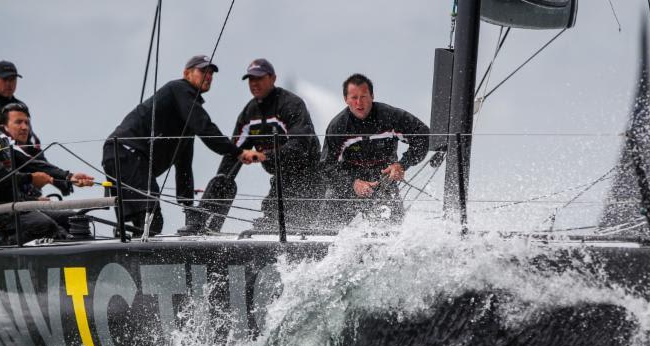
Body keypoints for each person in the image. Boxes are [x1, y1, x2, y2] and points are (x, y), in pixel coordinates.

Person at [102, 54, 262, 237]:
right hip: (126, 152)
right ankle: (131, 249)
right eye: (203, 71)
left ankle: (130, 247)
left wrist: (189, 207)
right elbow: (204, 127)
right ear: (187, 73)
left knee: (145, 222)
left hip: (124, 155)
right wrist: (238, 152)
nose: (208, 76)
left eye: (211, 73)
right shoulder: (179, 89)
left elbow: (184, 162)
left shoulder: (184, 111)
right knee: (149, 220)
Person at [184, 58, 321, 234]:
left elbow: (300, 145)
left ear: (272, 78)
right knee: (269, 219)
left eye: (259, 78)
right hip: (280, 180)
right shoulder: (249, 113)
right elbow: (234, 153)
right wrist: (221, 184)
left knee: (293, 222)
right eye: (251, 80)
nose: (254, 84)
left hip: (310, 176)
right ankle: (203, 223)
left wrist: (265, 156)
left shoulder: (291, 104)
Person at [0, 78, 91, 244]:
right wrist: (31, 179)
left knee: (74, 219)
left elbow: (28, 162)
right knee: (46, 226)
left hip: (14, 205)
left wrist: (68, 176)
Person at [320, 73, 430, 224]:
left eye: (364, 96)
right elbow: (327, 166)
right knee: (325, 229)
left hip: (383, 181)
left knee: (394, 233)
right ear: (346, 99)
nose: (359, 103)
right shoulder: (338, 126)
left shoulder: (390, 117)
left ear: (372, 96)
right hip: (348, 184)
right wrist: (353, 183)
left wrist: (402, 164)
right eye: (354, 97)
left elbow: (423, 135)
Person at [0, 102, 94, 230]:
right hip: (10, 212)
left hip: (31, 206)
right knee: (55, 227)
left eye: (27, 123)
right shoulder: (2, 151)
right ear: (4, 127)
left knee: (76, 219)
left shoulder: (32, 151)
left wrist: (70, 177)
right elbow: (4, 186)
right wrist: (33, 199)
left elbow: (45, 168)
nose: (24, 127)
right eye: (18, 122)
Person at [0, 60, 41, 145]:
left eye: (12, 79)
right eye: (4, 79)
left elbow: (29, 138)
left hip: (21, 153)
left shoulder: (21, 106)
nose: (9, 84)